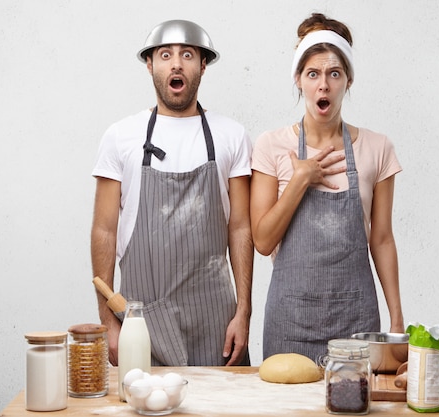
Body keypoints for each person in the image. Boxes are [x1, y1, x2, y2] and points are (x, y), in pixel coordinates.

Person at [91, 20, 253, 366]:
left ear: (203, 65)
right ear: (150, 65)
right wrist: (108, 321)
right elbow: (104, 229)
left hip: (216, 320)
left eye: (188, 55)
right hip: (141, 322)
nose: (176, 63)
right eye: (165, 55)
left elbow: (240, 227)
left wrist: (243, 312)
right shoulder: (121, 136)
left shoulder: (231, 135)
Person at [250, 13, 404, 361]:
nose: (324, 85)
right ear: (299, 80)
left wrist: (396, 316)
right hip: (290, 320)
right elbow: (262, 240)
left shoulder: (378, 148)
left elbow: (381, 238)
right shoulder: (271, 146)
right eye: (313, 74)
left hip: (357, 321)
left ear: (348, 81)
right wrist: (300, 180)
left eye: (334, 74)